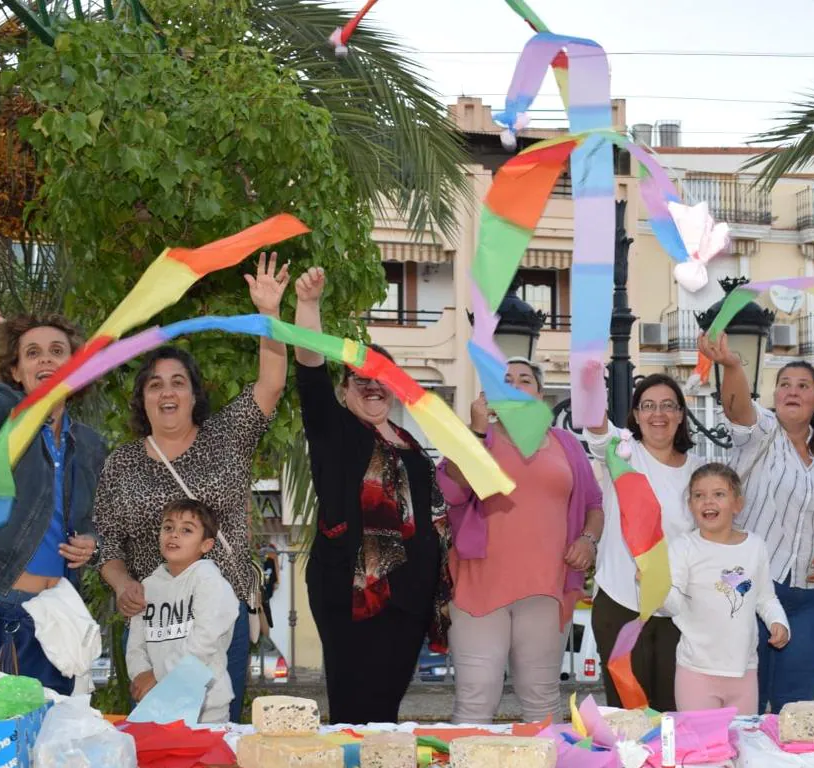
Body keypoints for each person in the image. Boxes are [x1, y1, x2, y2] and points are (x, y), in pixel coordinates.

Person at [94, 253, 289, 722]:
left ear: (194, 395)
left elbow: (271, 384)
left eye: (178, 382)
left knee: (215, 727)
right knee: (156, 734)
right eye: (155, 384)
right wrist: (122, 585)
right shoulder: (121, 462)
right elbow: (107, 541)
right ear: (143, 398)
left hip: (219, 625)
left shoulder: (226, 438)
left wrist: (269, 313)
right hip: (151, 626)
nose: (167, 392)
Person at [292, 267, 448, 724]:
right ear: (344, 390)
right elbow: (310, 370)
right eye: (360, 377)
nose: (372, 384)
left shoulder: (412, 446)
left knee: (386, 713)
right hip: (350, 591)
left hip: (410, 600)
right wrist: (308, 305)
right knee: (352, 712)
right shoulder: (335, 430)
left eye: (381, 376)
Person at [436, 358, 604, 723]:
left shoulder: (566, 444)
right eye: (504, 380)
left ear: (540, 396)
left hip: (545, 590)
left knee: (543, 703)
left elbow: (594, 504)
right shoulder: (475, 437)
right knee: (475, 700)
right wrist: (477, 433)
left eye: (524, 380)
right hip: (480, 588)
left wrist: (589, 541)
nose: (513, 385)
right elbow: (451, 487)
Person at [0, 308, 105, 694]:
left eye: (57, 351)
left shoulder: (90, 445)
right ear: (17, 371)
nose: (46, 359)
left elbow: (95, 522)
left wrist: (93, 543)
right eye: (32, 353)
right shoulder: (2, 414)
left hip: (58, 613)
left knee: (51, 739)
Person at [699, 333, 814, 714]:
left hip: (811, 599)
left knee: (796, 705)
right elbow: (738, 412)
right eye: (784, 385)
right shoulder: (763, 431)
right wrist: (733, 366)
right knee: (746, 704)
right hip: (751, 592)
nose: (793, 392)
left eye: (803, 386)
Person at [583, 374, 706, 712]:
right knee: (629, 714)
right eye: (648, 406)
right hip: (620, 602)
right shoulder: (620, 453)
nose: (658, 414)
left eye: (668, 406)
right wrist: (588, 376)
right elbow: (595, 426)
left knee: (673, 712)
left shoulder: (700, 471)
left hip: (676, 609)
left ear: (681, 414)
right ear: (635, 415)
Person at [665, 463, 789, 715]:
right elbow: (671, 604)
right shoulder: (682, 547)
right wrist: (652, 586)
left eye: (719, 494)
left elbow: (765, 598)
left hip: (744, 671)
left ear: (737, 504)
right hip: (696, 672)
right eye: (699, 495)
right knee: (702, 750)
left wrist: (779, 622)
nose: (708, 501)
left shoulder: (755, 546)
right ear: (690, 505)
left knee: (743, 747)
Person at [126, 499, 239, 723]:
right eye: (168, 528)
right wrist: (140, 674)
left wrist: (158, 675)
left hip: (206, 710)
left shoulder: (211, 583)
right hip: (155, 707)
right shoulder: (148, 586)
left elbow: (203, 642)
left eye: (186, 530)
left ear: (206, 545)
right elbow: (136, 644)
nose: (174, 535)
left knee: (207, 759)